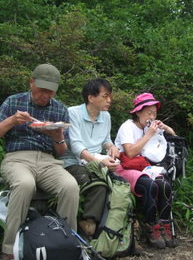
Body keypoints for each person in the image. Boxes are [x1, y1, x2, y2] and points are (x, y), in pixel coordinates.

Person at [0, 63, 79, 260]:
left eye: (50, 91)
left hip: (48, 161)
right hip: (17, 157)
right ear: (31, 82)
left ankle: (65, 244)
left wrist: (57, 136)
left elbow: (61, 152)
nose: (45, 95)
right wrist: (10, 121)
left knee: (70, 187)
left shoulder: (60, 109)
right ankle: (9, 250)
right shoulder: (14, 102)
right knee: (25, 184)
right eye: (41, 89)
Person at [114, 92, 177, 249]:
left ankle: (164, 225)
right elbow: (130, 153)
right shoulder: (127, 127)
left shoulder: (148, 127)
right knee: (150, 185)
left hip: (143, 167)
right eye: (148, 112)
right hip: (124, 166)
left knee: (164, 184)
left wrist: (164, 127)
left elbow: (174, 138)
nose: (152, 115)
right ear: (138, 112)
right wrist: (149, 135)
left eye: (154, 113)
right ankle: (150, 225)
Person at [60, 78, 119, 236]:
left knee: (119, 183)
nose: (109, 100)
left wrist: (112, 148)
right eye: (105, 96)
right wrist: (100, 162)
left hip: (97, 160)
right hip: (73, 161)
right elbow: (77, 146)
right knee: (95, 184)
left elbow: (106, 140)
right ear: (91, 98)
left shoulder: (105, 116)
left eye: (109, 96)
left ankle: (105, 227)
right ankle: (89, 225)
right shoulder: (73, 113)